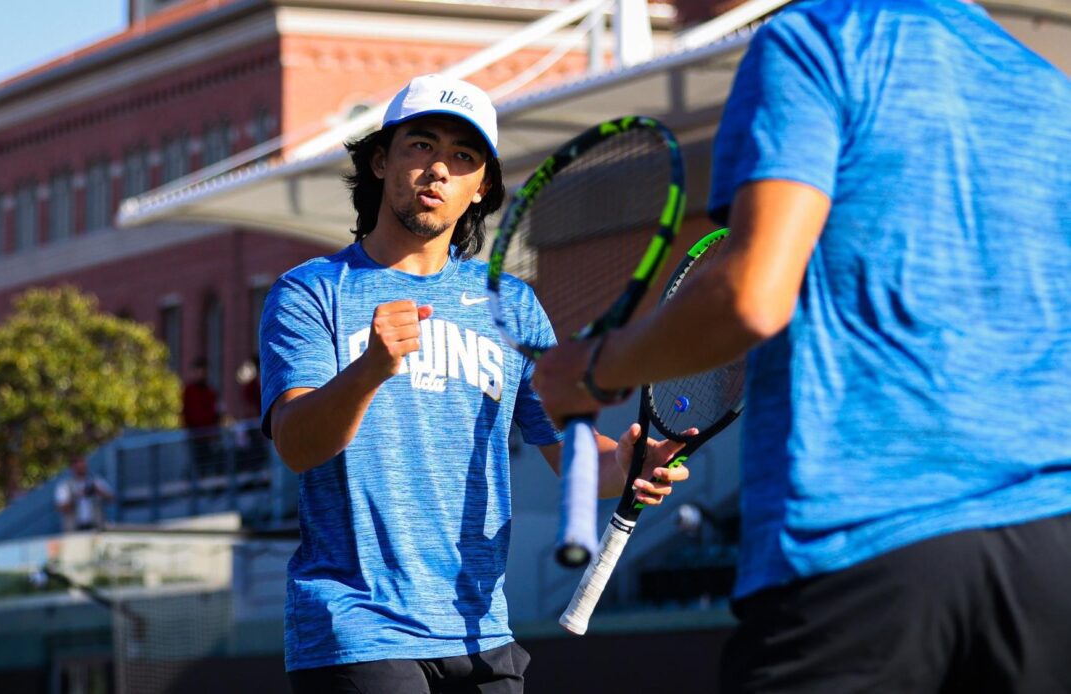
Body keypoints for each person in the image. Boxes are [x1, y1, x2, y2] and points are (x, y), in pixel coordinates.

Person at [532, 1, 1071, 691]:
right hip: (1049, 557)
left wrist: (595, 369)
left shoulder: (816, 38)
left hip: (861, 546)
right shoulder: (1046, 85)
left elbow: (750, 295)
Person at [259, 73, 691, 693]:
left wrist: (626, 463)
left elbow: (567, 455)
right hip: (357, 631)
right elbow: (298, 446)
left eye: (463, 157)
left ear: (481, 186)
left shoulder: (512, 307)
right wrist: (369, 371)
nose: (438, 169)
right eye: (421, 146)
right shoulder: (309, 292)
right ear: (381, 160)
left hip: (482, 634)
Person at [182, 356, 221, 474]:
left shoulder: (211, 392)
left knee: (208, 463)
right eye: (199, 371)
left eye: (204, 371)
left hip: (208, 436)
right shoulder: (189, 391)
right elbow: (186, 411)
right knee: (196, 463)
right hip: (195, 435)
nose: (202, 374)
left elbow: (216, 412)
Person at [54, 455, 115, 532]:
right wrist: (77, 496)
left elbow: (112, 498)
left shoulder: (95, 481)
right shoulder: (64, 486)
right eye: (78, 466)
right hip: (74, 530)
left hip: (96, 528)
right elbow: (62, 508)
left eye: (83, 464)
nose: (81, 467)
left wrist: (99, 491)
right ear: (72, 467)